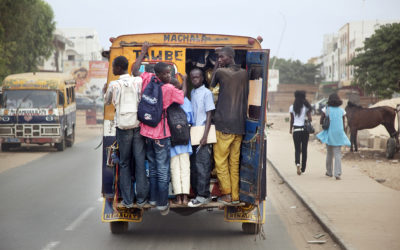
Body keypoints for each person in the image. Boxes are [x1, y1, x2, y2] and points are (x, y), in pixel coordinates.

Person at [131, 42, 184, 215]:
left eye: (170, 73)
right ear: (160, 74)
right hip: (161, 134)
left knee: (152, 167)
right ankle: (162, 204)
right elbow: (181, 98)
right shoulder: (169, 88)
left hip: (146, 132)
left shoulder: (147, 79)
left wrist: (142, 53)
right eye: (167, 73)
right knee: (162, 170)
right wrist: (181, 82)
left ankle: (153, 199)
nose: (169, 75)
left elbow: (134, 70)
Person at [103, 56, 148, 208]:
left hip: (123, 128)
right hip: (137, 125)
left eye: (114, 67)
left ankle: (128, 200)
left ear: (119, 67)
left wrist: (105, 91)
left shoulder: (114, 85)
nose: (113, 69)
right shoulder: (138, 81)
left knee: (124, 163)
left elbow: (107, 101)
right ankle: (142, 199)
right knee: (140, 162)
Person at [210, 46, 248, 205]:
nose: (219, 60)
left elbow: (211, 85)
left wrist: (216, 67)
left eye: (221, 57)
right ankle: (235, 195)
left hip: (223, 124)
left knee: (220, 161)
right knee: (234, 163)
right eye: (218, 58)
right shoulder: (245, 74)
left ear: (230, 57)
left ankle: (226, 193)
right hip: (239, 126)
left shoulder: (220, 72)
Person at [188, 68, 215, 207]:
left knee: (203, 165)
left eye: (197, 77)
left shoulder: (207, 93)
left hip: (203, 133)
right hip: (194, 133)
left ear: (202, 78)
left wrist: (205, 136)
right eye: (192, 78)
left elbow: (209, 114)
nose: (195, 80)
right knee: (195, 165)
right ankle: (198, 193)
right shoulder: (192, 92)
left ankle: (203, 195)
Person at [169, 75, 193, 206]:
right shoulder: (186, 101)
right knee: (185, 169)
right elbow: (191, 120)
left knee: (174, 169)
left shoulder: (166, 101)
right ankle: (186, 197)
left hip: (172, 142)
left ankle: (178, 198)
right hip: (184, 141)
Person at [316, 93, 351, 180]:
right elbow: (343, 123)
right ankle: (337, 174)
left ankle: (329, 172)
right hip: (339, 132)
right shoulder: (342, 110)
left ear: (329, 101)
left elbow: (321, 121)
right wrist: (343, 132)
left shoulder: (327, 109)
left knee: (329, 153)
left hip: (330, 133)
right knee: (338, 154)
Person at [289, 90, 312, 175]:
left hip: (296, 130)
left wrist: (290, 129)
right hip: (305, 130)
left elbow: (292, 120)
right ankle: (303, 169)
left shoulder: (292, 107)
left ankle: (297, 163)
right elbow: (310, 119)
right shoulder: (306, 107)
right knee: (304, 149)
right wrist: (307, 117)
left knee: (297, 149)